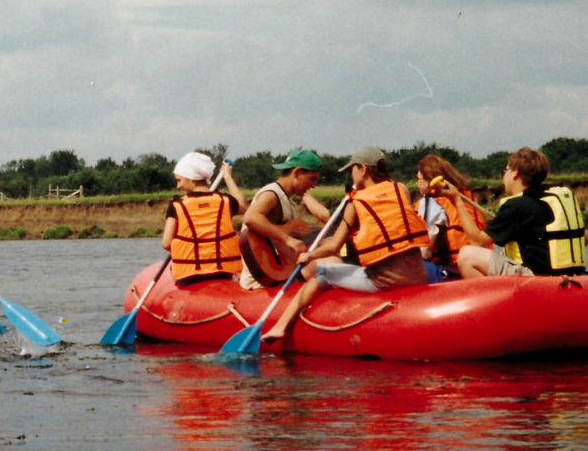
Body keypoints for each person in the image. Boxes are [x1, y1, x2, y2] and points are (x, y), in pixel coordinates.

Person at [261, 147, 430, 343]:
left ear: (363, 170)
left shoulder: (354, 204)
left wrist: (308, 256)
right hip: (418, 275)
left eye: (352, 170)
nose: (351, 174)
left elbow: (333, 246)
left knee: (322, 272)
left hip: (385, 281)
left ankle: (280, 327)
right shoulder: (401, 190)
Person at [440, 147, 588, 278]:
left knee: (467, 255)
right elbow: (585, 239)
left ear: (515, 173)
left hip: (537, 280)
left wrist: (457, 201)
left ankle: (497, 305)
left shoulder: (516, 205)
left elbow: (476, 241)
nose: (503, 176)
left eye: (505, 170)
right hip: (567, 276)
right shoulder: (550, 199)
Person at [237, 148, 334, 289]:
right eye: (312, 179)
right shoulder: (272, 193)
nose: (313, 185)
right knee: (333, 261)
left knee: (330, 242)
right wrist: (288, 239)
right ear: (297, 173)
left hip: (281, 272)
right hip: (263, 279)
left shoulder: (289, 202)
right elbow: (250, 217)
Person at [162, 152, 247, 283]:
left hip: (189, 276)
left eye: (179, 181)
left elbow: (166, 243)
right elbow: (243, 206)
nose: (178, 186)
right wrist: (228, 177)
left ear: (191, 178)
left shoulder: (177, 205)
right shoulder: (225, 201)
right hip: (222, 273)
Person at [413, 154, 485, 282]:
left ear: (428, 182)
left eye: (418, 178)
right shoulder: (467, 198)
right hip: (476, 267)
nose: (416, 182)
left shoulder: (428, 203)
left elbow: (424, 250)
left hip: (450, 271)